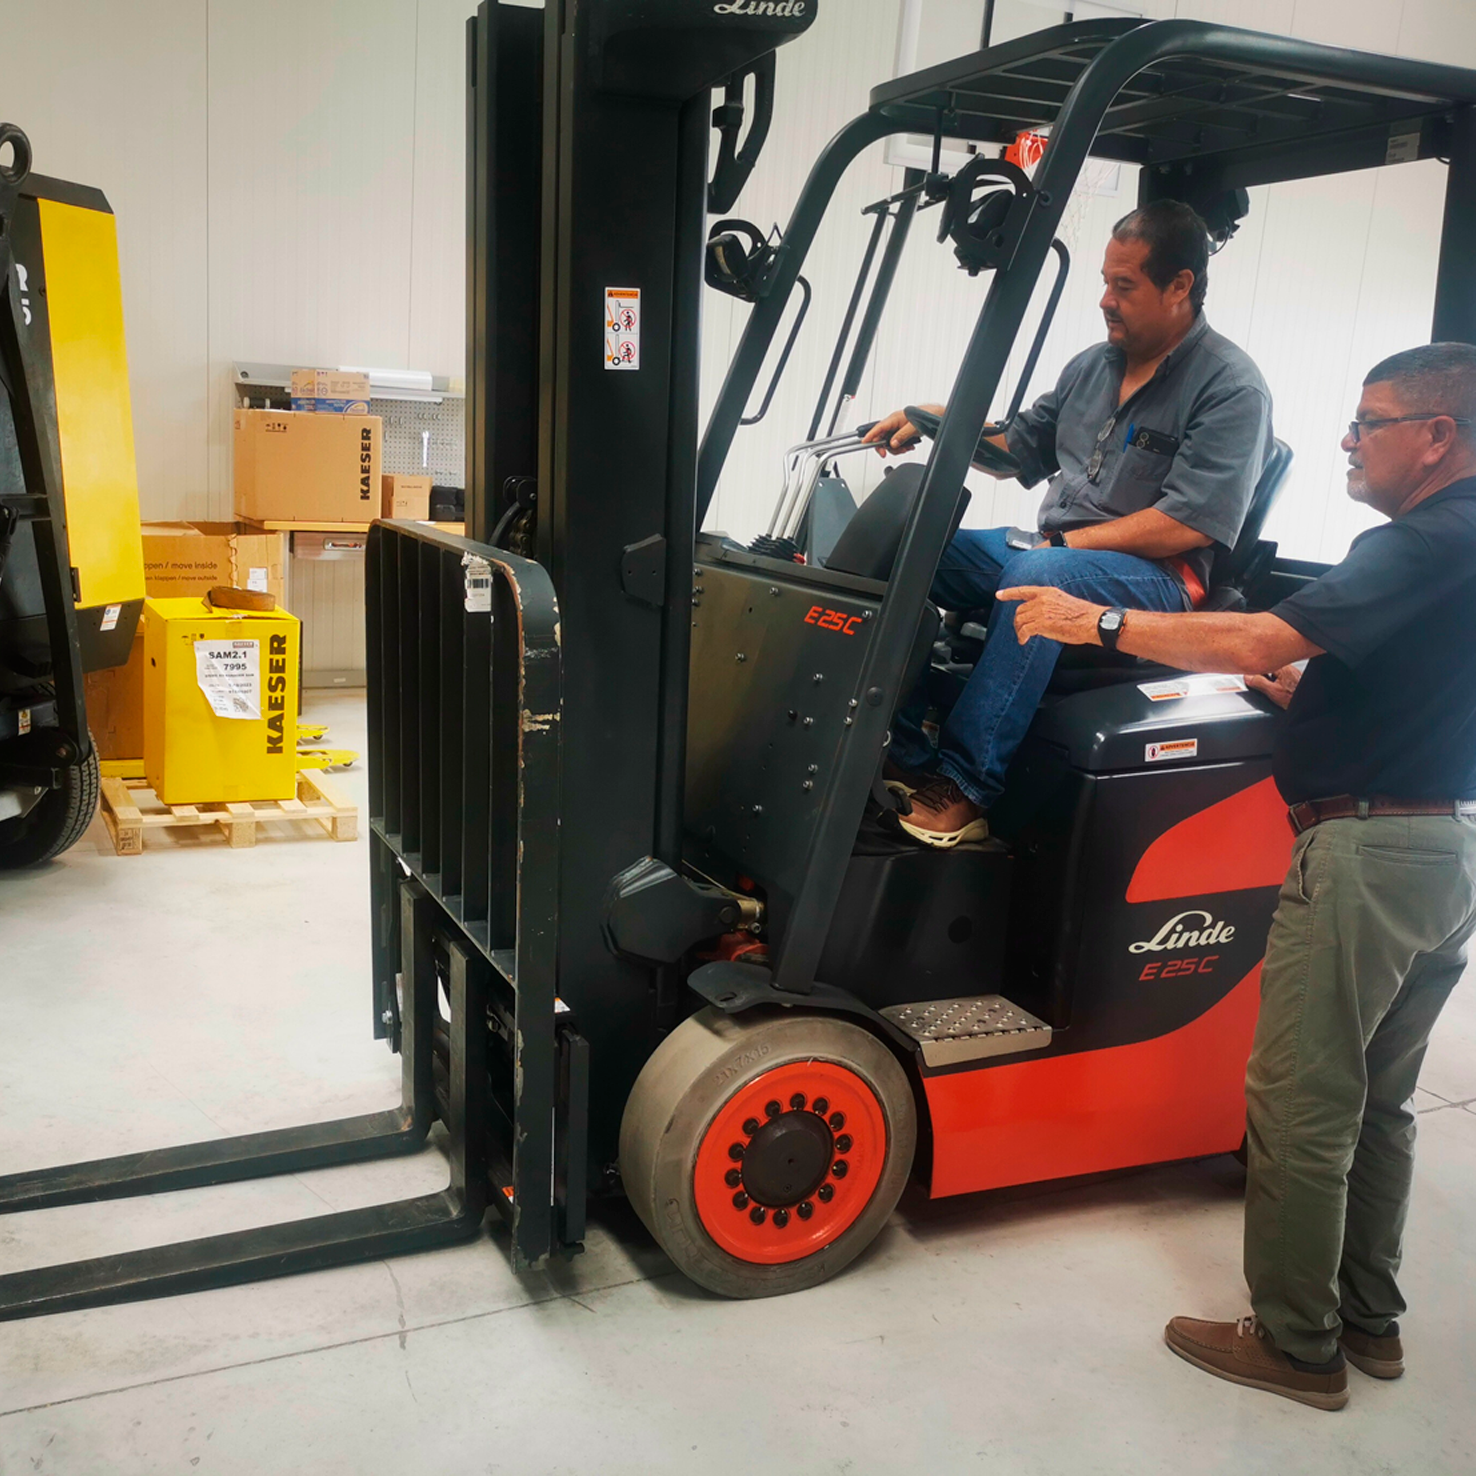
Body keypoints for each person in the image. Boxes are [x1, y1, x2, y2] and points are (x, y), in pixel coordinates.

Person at [999, 341, 1476, 1411]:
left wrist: (1101, 621)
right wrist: (1290, 689)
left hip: (1363, 856)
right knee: (1379, 1102)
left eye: (1371, 422)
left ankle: (1297, 1346)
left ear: (1436, 436)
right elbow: (1389, 690)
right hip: (1440, 848)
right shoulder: (1461, 545)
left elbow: (1260, 631)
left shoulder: (1420, 539)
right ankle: (1368, 1321)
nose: (1348, 439)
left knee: (1301, 1101)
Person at [861, 199, 1273, 846]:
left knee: (1040, 573)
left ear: (1180, 286)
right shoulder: (1092, 366)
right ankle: (904, 751)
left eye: (1124, 286)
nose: (1106, 300)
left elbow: (1188, 523)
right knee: (904, 549)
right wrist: (935, 418)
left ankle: (967, 785)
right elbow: (1017, 450)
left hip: (1158, 578)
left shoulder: (1230, 387)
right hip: (1057, 551)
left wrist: (1065, 543)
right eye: (1105, 282)